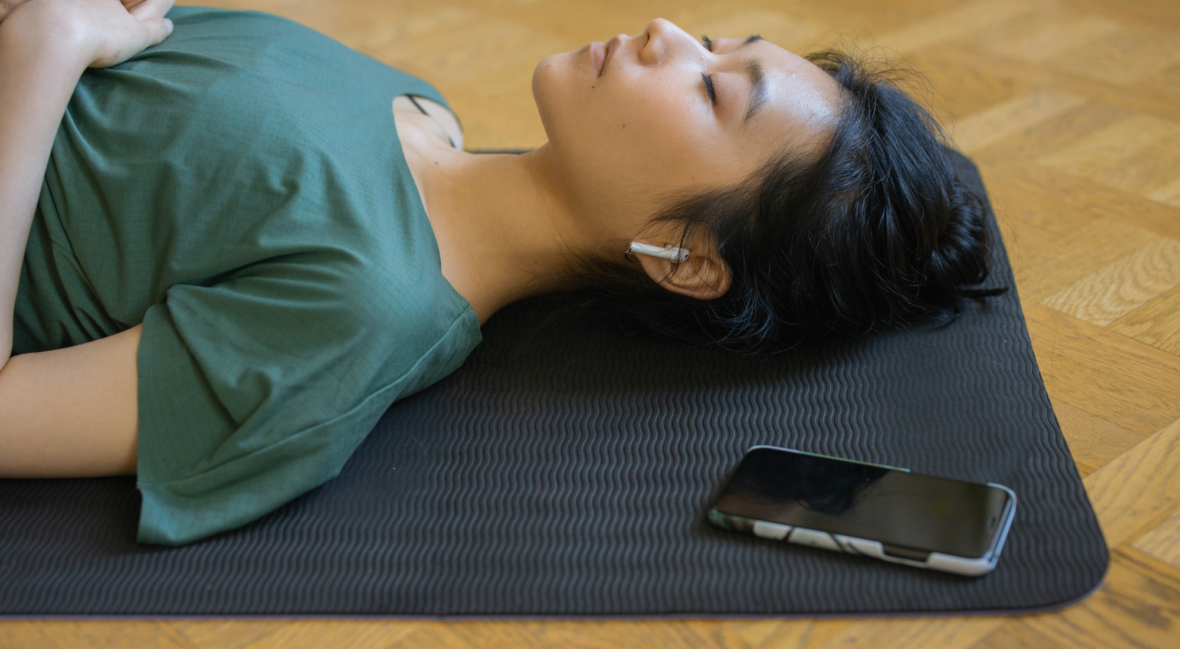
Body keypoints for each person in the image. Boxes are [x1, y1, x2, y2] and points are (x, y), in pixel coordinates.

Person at [0, 0, 1003, 544]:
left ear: (691, 260)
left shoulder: (359, 312)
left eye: (709, 89)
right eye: (717, 40)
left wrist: (45, 49)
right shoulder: (418, 107)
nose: (665, 32)